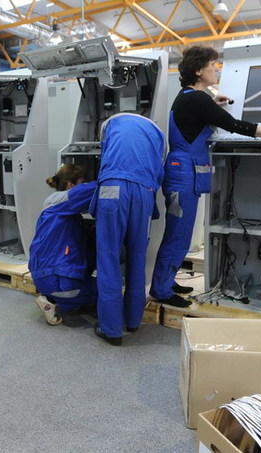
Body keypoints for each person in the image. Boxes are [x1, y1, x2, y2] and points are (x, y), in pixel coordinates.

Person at [150, 45, 261, 308]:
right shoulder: (196, 99)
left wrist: (212, 103)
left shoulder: (191, 97)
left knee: (181, 234)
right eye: (212, 65)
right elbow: (235, 125)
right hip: (183, 174)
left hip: (184, 171)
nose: (216, 69)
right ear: (198, 70)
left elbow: (200, 116)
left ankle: (167, 281)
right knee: (178, 236)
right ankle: (160, 290)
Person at [90, 113, 165, 346]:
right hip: (144, 193)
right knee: (137, 257)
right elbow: (159, 171)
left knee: (108, 258)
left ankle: (111, 329)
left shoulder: (110, 125)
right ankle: (133, 320)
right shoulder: (157, 134)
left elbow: (105, 158)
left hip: (112, 189)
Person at [28, 164, 97, 325]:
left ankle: (52, 297)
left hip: (46, 276)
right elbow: (91, 190)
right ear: (70, 185)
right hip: (58, 280)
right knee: (104, 290)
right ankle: (56, 300)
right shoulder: (60, 201)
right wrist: (113, 178)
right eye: (82, 181)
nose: (85, 183)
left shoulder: (57, 210)